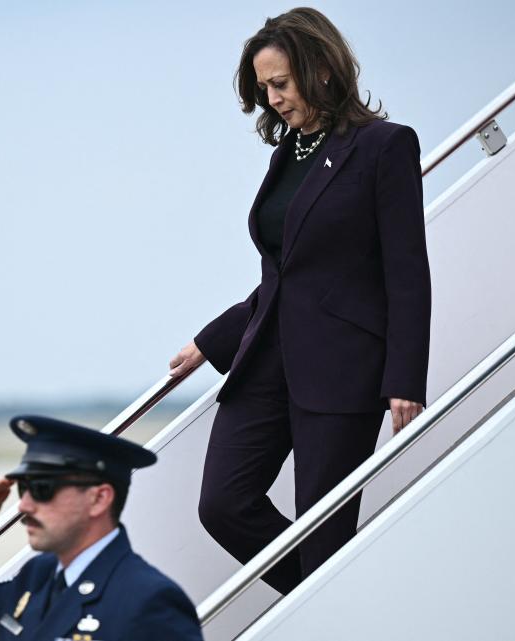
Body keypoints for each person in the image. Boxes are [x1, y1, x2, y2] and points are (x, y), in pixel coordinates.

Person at [168, 7, 431, 595]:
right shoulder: (288, 153)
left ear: (322, 70)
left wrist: (405, 378)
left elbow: (407, 271)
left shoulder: (384, 147)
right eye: (264, 88)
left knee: (325, 532)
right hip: (266, 361)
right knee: (224, 503)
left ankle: (325, 600)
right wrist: (212, 341)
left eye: (280, 84)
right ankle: (327, 600)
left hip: (342, 372)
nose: (273, 99)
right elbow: (285, 275)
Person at [0, 415, 204, 641]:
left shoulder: (147, 600)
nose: (23, 505)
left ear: (99, 499)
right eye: (22, 488)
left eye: (42, 488)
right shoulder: (37, 578)